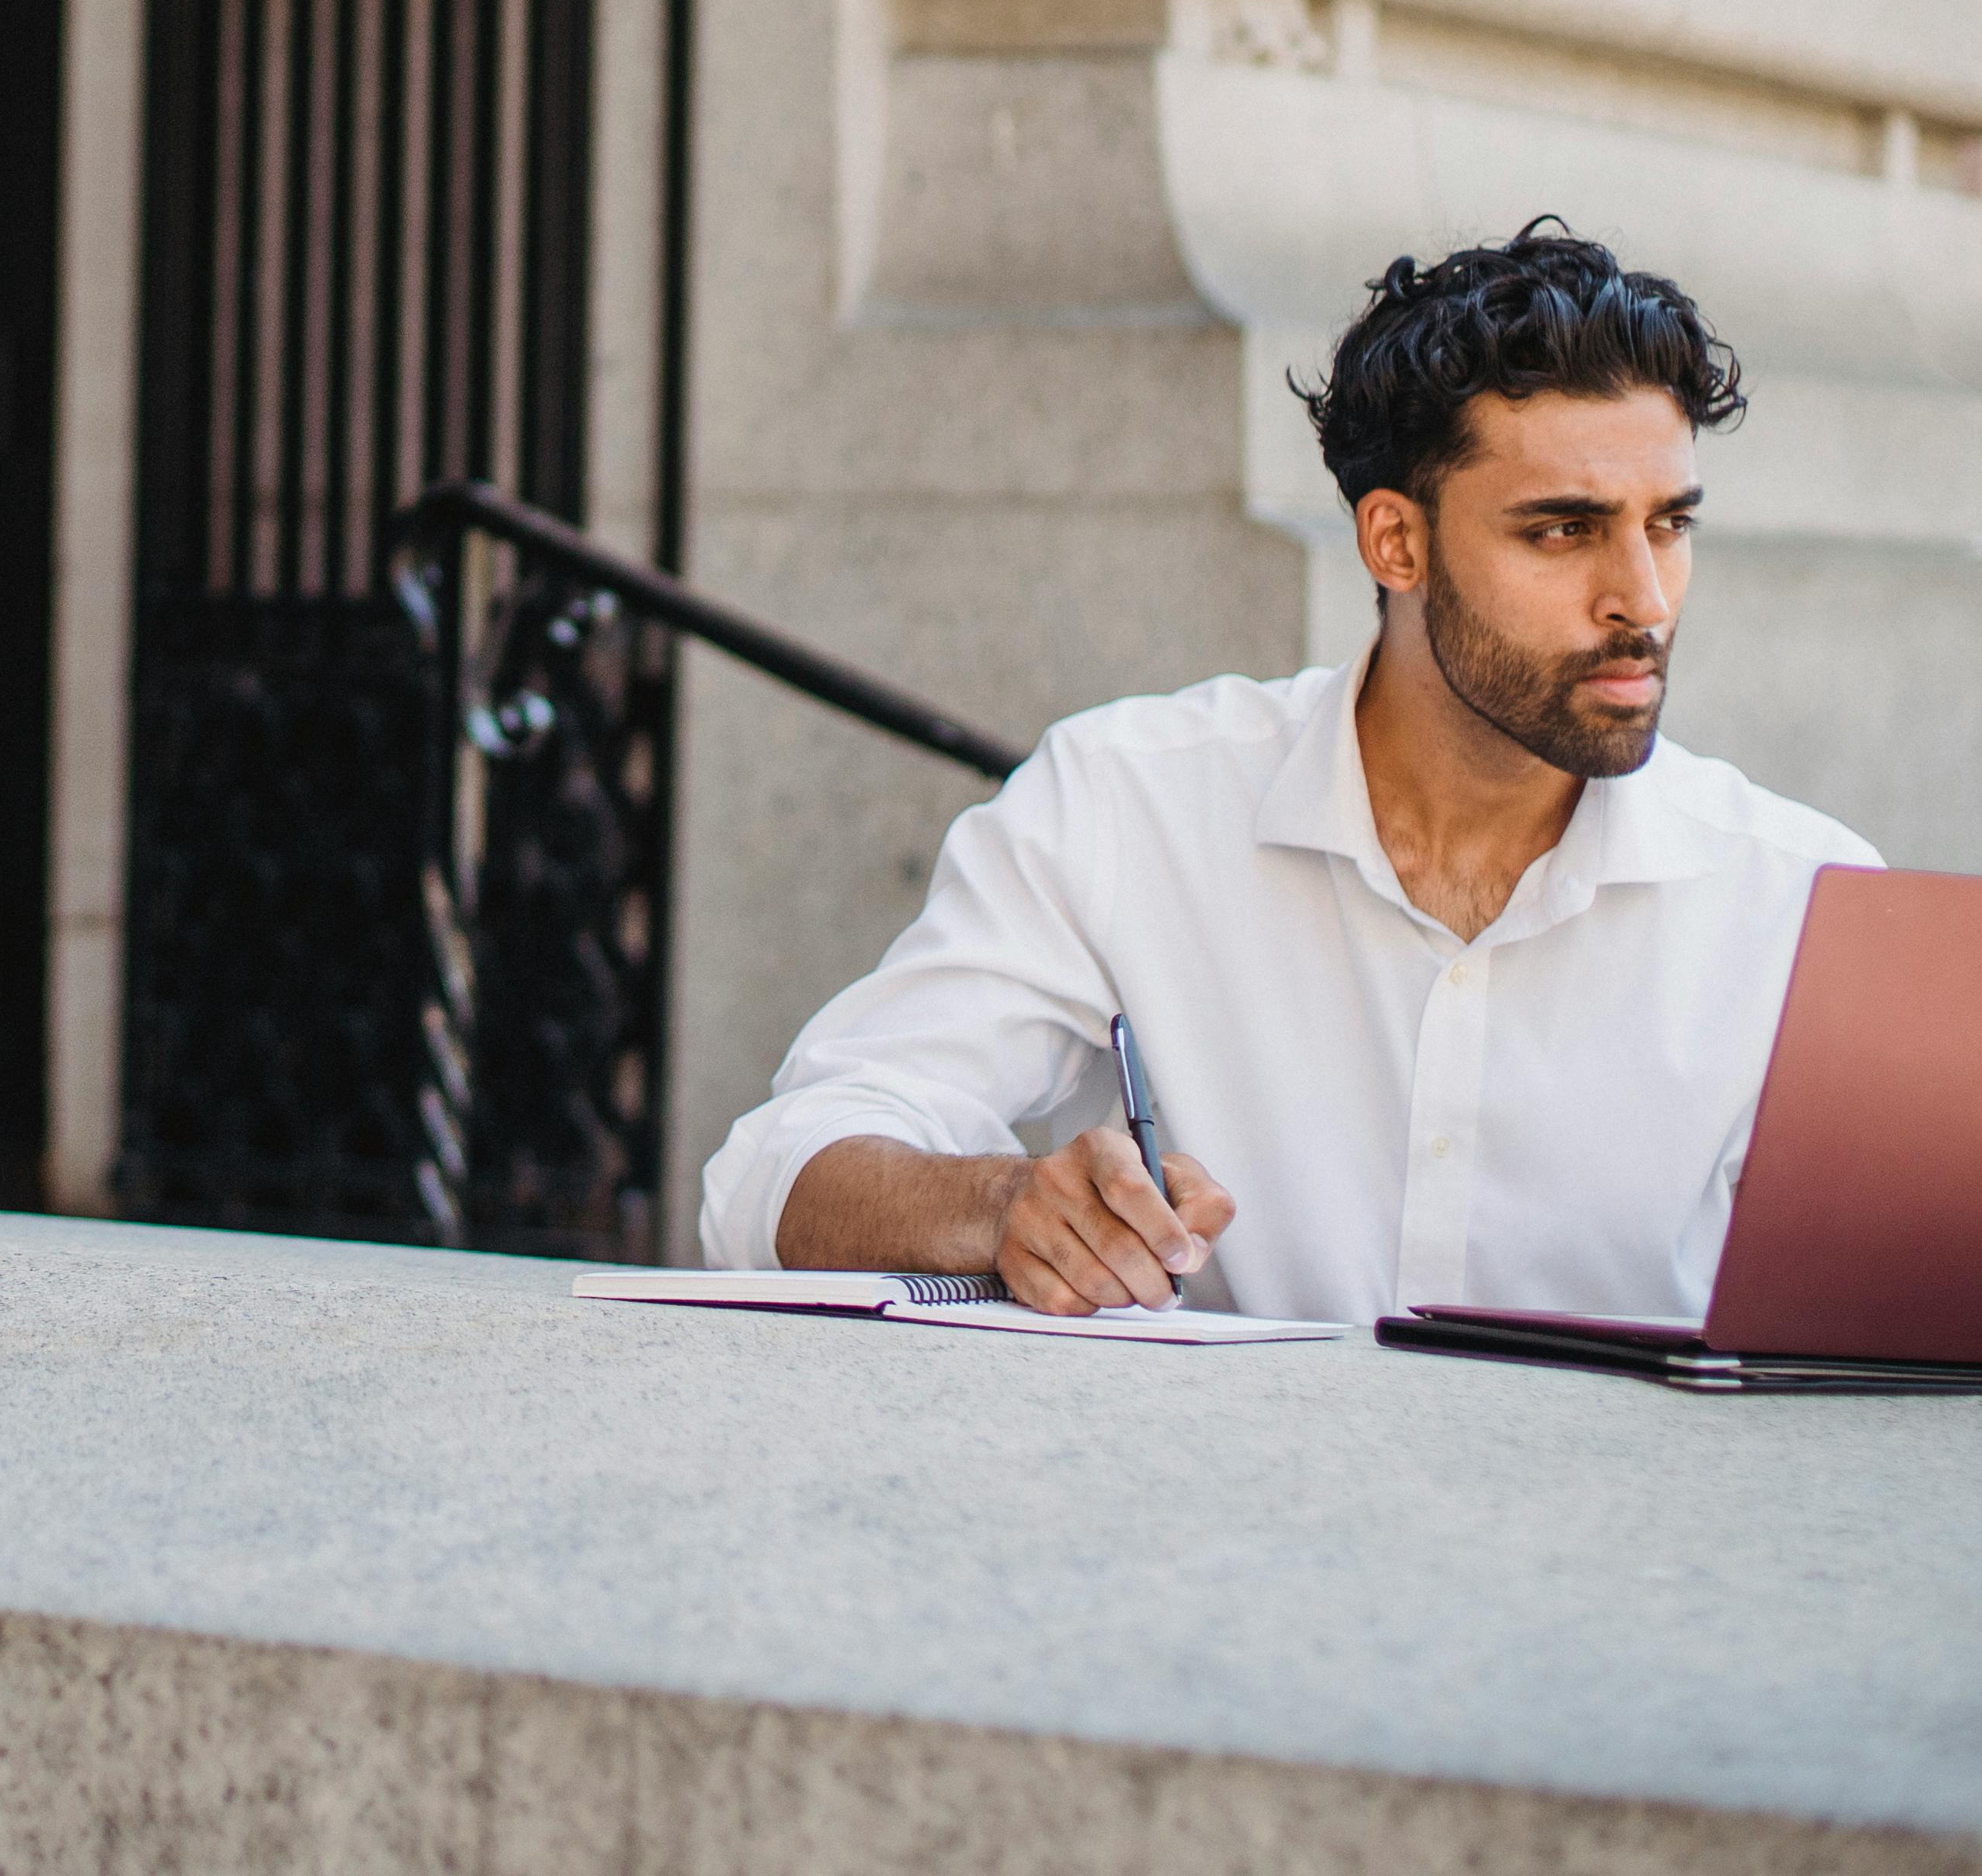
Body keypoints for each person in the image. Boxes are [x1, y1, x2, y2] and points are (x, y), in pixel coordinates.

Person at [697, 220, 1881, 1324]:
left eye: (1669, 523)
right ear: (1395, 540)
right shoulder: (1126, 805)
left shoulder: (1808, 901)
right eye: (1563, 530)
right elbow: (778, 1171)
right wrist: (1003, 1208)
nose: (1646, 597)